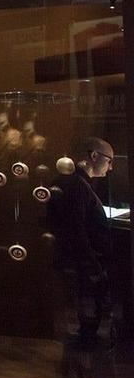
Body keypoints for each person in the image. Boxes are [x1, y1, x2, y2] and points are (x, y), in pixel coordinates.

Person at [49, 138, 116, 350]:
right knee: (87, 308)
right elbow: (76, 230)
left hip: (81, 261)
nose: (111, 166)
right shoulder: (77, 185)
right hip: (83, 263)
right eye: (109, 160)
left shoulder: (75, 183)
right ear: (94, 156)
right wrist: (93, 265)